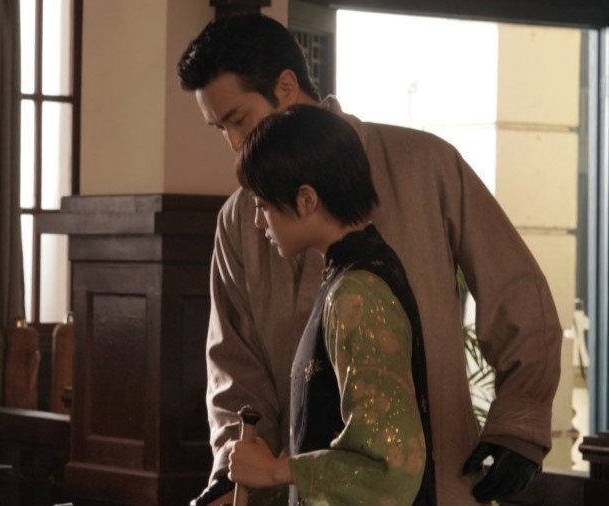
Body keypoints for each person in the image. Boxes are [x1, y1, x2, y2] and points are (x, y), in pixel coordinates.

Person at [176, 13, 561, 506]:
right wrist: (237, 475)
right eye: (219, 129)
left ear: (286, 87)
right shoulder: (240, 217)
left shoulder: (424, 163)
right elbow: (234, 368)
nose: (233, 144)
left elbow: (515, 289)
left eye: (238, 120)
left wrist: (520, 422)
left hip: (435, 483)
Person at [227, 104, 432, 505]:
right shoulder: (357, 273)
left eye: (263, 206)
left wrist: (274, 470)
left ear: (306, 199)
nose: (258, 223)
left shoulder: (358, 293)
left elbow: (390, 467)